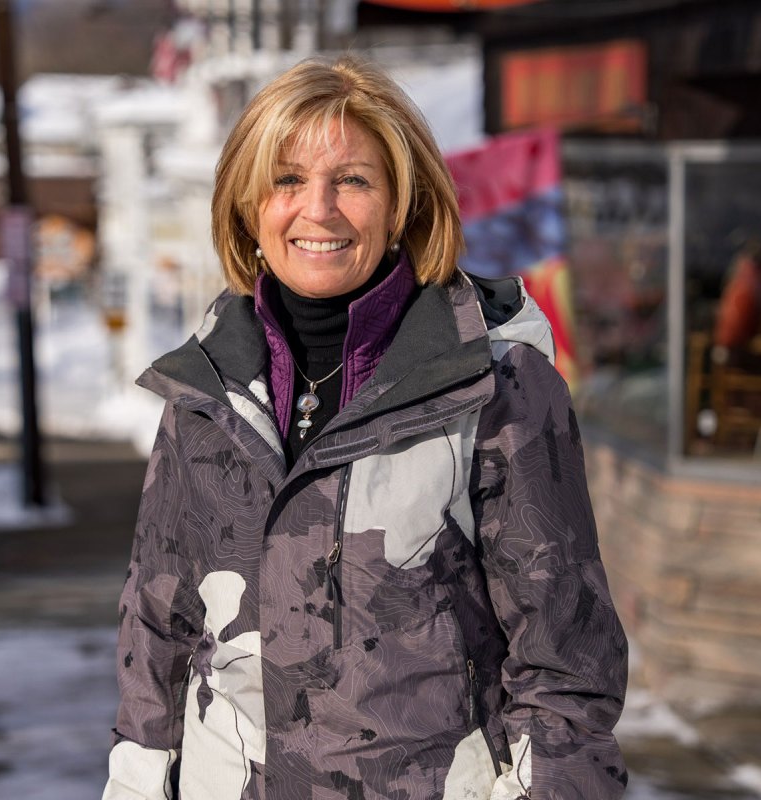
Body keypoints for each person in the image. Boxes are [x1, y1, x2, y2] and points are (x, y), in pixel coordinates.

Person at [103, 55, 628, 800]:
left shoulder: (493, 382)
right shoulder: (206, 391)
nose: (318, 209)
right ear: (249, 207)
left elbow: (565, 667)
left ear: (402, 205)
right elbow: (157, 635)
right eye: (287, 180)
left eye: (352, 180)